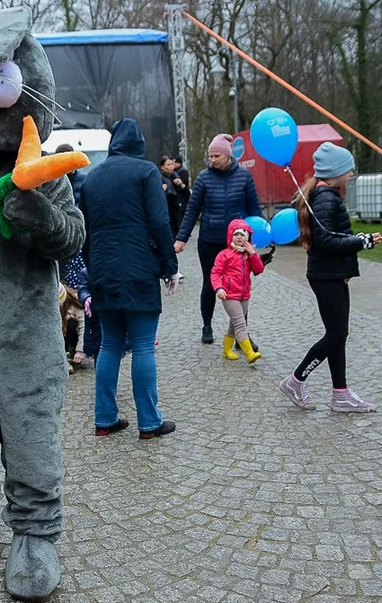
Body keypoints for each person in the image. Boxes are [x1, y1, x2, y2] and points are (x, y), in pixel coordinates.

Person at [80, 118, 178, 439]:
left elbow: (85, 232)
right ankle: (149, 422)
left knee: (109, 345)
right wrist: (169, 266)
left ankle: (104, 419)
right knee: (142, 346)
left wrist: (91, 269)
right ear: (139, 144)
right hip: (138, 269)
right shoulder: (146, 171)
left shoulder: (92, 178)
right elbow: (160, 223)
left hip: (103, 271)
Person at [279, 142, 382, 412]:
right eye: (348, 170)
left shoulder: (325, 196)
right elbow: (325, 240)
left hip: (332, 274)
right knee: (336, 335)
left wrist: (348, 267)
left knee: (337, 334)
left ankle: (341, 394)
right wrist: (361, 242)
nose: (351, 175)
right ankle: (295, 380)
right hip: (325, 275)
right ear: (335, 172)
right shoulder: (325, 198)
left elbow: (330, 236)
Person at [175, 134, 262, 344]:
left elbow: (255, 210)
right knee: (210, 284)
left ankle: (242, 336)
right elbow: (192, 211)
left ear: (227, 156)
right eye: (210, 156)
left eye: (216, 155)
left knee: (240, 287)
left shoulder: (244, 177)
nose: (212, 159)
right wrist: (181, 238)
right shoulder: (204, 177)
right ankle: (207, 324)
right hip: (209, 240)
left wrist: (256, 239)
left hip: (238, 243)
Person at [211, 219, 265, 363]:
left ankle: (227, 349)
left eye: (243, 235)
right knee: (240, 323)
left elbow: (258, 270)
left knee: (234, 324)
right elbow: (215, 273)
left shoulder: (248, 255)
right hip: (229, 295)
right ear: (230, 236)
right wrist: (219, 288)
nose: (239, 237)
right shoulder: (224, 254)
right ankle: (249, 353)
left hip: (244, 295)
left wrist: (253, 254)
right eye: (236, 234)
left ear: (247, 238)